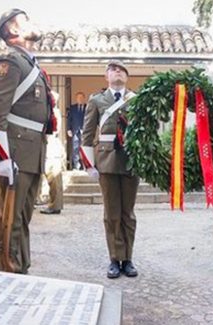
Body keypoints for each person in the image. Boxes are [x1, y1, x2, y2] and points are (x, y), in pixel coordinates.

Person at [0, 9, 54, 274]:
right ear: (12, 30)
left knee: (22, 218)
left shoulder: (31, 65)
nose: (33, 21)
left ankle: (21, 269)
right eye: (25, 19)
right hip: (13, 151)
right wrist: (2, 158)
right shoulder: (10, 62)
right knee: (10, 219)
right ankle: (9, 274)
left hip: (31, 151)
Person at [80, 60, 139, 279]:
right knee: (112, 213)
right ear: (106, 76)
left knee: (128, 214)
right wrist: (89, 163)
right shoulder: (97, 100)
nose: (118, 72)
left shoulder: (137, 100)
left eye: (122, 70)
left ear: (127, 77)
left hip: (131, 160)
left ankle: (128, 259)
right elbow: (87, 133)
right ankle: (115, 259)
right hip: (106, 161)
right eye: (113, 70)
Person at [40, 92, 65, 215]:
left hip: (50, 145)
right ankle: (53, 203)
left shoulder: (52, 112)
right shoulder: (52, 111)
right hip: (49, 144)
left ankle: (55, 204)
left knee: (53, 177)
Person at [67, 91, 86, 170]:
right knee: (75, 148)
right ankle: (76, 165)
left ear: (84, 98)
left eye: (81, 98)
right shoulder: (72, 108)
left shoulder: (87, 108)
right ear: (76, 99)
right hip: (75, 130)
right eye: (78, 98)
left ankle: (85, 165)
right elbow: (69, 119)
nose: (80, 99)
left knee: (84, 148)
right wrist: (68, 129)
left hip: (84, 131)